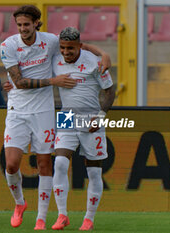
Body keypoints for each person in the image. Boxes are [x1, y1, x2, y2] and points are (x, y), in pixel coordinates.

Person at [0, 5, 111, 230]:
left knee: (82, 168)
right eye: (19, 25)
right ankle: (42, 209)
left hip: (72, 115)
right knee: (37, 163)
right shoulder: (27, 50)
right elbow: (22, 80)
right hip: (48, 114)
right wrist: (19, 84)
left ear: (36, 23)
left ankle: (73, 218)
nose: (66, 52)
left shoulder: (71, 52)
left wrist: (103, 53)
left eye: (27, 24)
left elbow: (107, 88)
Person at [51, 27, 115, 231]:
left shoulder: (94, 62)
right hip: (67, 116)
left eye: (70, 48)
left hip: (91, 118)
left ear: (79, 46)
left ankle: (89, 218)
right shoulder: (55, 59)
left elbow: (109, 92)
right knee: (60, 163)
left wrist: (101, 117)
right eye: (62, 48)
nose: (65, 52)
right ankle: (62, 215)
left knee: (94, 172)